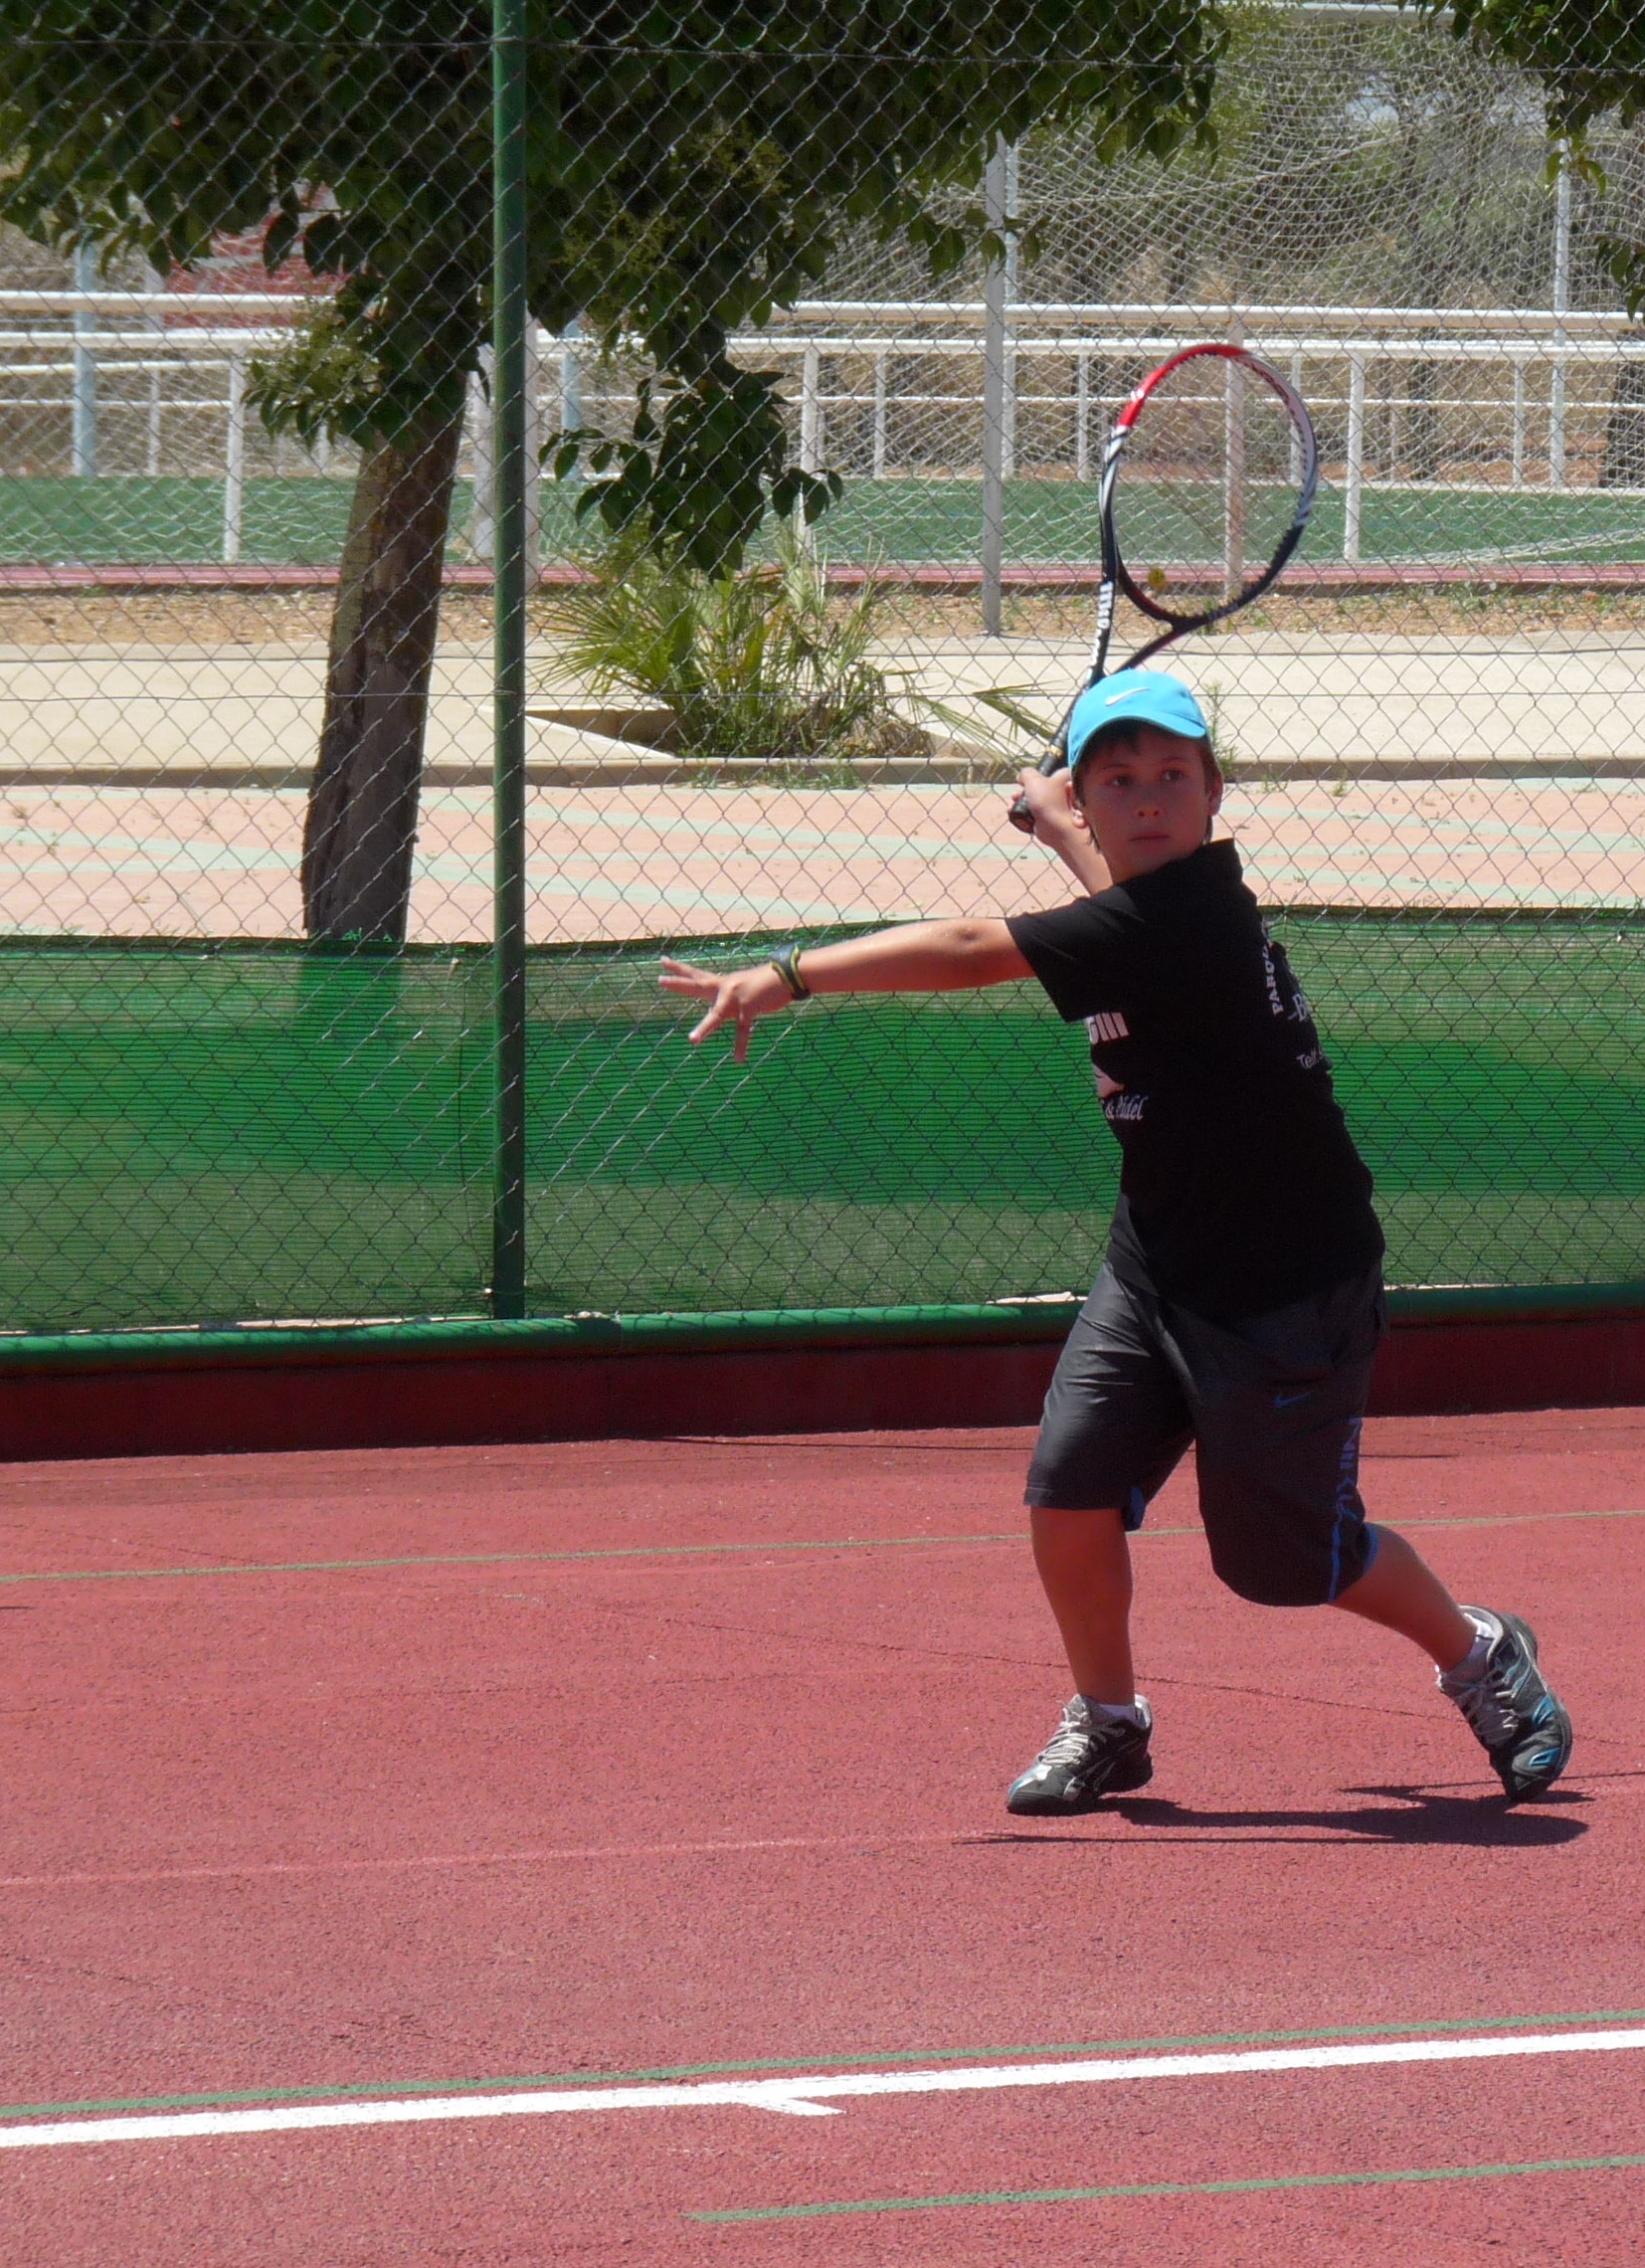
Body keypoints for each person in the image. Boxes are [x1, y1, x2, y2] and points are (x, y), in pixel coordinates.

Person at [657, 670, 1573, 1812]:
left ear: (1215, 793)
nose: (1149, 797)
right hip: (1156, 1261)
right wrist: (1060, 833)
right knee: (1069, 1489)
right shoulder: (1149, 909)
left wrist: (788, 975)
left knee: (1294, 1565)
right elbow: (1119, 907)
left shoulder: (1184, 921)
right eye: (1119, 779)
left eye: (1173, 775)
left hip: (1285, 1289)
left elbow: (969, 947)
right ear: (1090, 800)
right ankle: (1108, 1721)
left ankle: (1481, 1652)